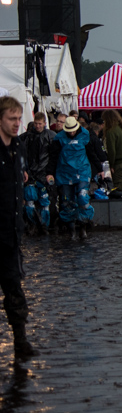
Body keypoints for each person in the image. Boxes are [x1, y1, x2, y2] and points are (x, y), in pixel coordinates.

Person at [0, 96, 36, 359]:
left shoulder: (18, 147)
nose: (17, 123)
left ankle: (21, 343)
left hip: (12, 233)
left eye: (19, 118)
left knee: (15, 289)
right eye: (12, 118)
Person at [46, 116, 98, 238]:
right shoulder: (59, 139)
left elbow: (91, 152)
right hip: (64, 173)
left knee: (82, 198)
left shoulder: (85, 136)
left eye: (73, 130)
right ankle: (71, 228)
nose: (71, 133)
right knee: (66, 202)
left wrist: (99, 169)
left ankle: (83, 224)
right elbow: (53, 157)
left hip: (81, 172)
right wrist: (49, 172)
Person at [20, 113, 54, 234]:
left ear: (45, 123)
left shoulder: (51, 136)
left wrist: (50, 173)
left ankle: (44, 226)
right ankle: (33, 224)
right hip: (30, 174)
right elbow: (22, 156)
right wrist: (24, 170)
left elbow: (53, 157)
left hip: (44, 174)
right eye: (36, 123)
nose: (38, 126)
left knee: (45, 201)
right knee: (29, 199)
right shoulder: (26, 137)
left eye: (40, 123)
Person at [102, 110, 122, 194]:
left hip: (119, 162)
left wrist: (111, 164)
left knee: (119, 186)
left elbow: (112, 150)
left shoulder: (111, 131)